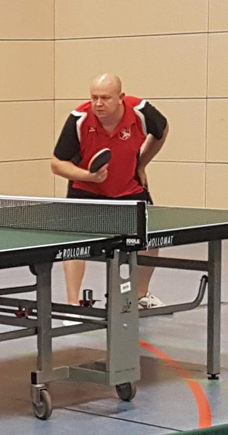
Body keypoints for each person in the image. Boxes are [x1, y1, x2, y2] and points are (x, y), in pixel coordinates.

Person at [49, 72, 169, 306]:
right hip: (86, 189)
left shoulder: (141, 112)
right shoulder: (79, 119)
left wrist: (141, 164)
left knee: (150, 238)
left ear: (121, 97)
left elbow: (162, 131)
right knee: (75, 246)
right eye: (94, 97)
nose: (98, 103)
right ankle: (73, 304)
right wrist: (89, 176)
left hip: (128, 187)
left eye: (105, 98)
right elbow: (57, 164)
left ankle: (140, 295)